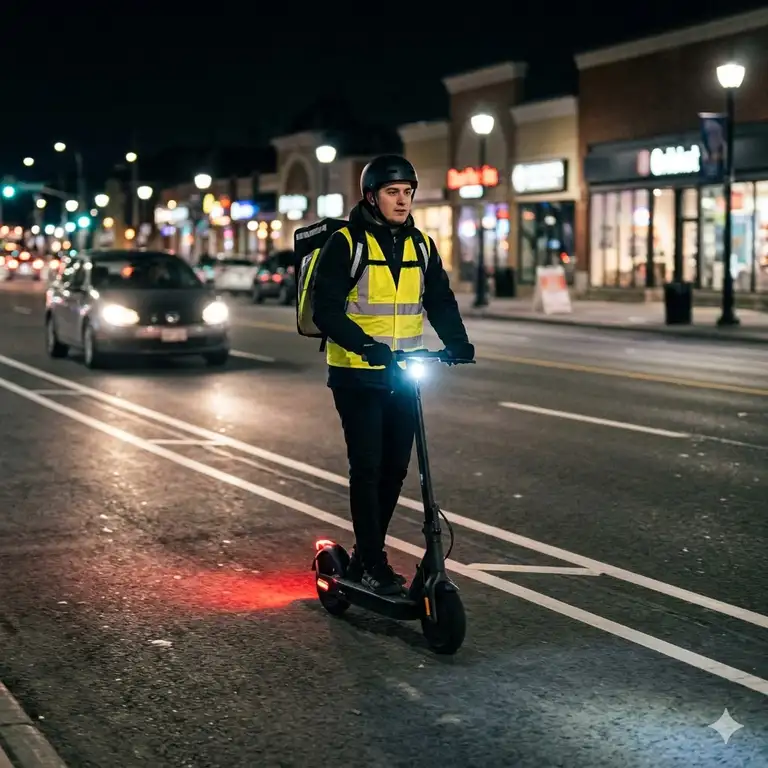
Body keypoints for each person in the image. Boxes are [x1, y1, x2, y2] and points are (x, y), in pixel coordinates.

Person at [311, 154, 474, 595]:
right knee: (367, 466)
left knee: (395, 470)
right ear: (371, 196)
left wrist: (456, 342)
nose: (402, 201)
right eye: (392, 193)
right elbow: (323, 308)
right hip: (355, 374)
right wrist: (365, 345)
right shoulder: (347, 243)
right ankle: (371, 562)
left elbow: (438, 298)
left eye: (407, 193)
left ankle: (366, 555)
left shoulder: (420, 244)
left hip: (402, 373)